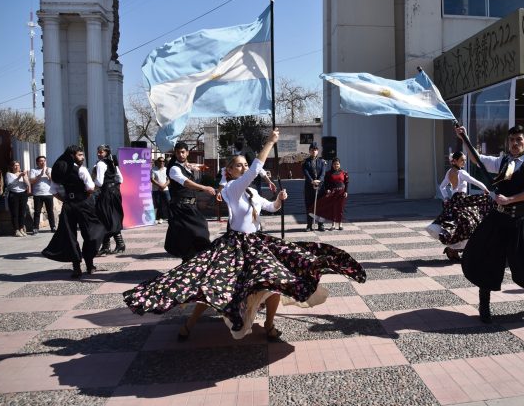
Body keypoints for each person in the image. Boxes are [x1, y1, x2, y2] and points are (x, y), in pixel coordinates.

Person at [123, 129, 366, 342]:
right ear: (228, 171)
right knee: (211, 286)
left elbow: (270, 208)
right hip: (234, 247)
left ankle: (269, 325)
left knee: (274, 281)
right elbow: (255, 170)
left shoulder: (250, 191)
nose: (242, 167)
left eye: (243, 164)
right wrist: (270, 143)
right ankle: (189, 324)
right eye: (238, 165)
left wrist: (279, 201)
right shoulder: (232, 188)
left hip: (257, 244)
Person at [455, 125, 524, 323]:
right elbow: (480, 160)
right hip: (499, 220)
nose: (514, 143)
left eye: (519, 139)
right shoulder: (504, 161)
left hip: (522, 222)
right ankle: (484, 304)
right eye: (511, 139)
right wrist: (464, 138)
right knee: (487, 260)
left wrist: (509, 200)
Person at [42, 145, 105, 278]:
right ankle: (84, 265)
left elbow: (54, 191)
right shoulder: (81, 170)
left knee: (73, 235)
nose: (82, 158)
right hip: (82, 204)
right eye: (80, 155)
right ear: (72, 156)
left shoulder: (59, 170)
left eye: (82, 155)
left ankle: (83, 265)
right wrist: (83, 198)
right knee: (89, 233)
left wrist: (66, 199)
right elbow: (90, 188)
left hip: (69, 205)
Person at [425, 151, 492, 261]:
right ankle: (454, 250)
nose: (464, 162)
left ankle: (453, 250)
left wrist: (446, 197)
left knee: (458, 225)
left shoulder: (449, 172)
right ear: (455, 161)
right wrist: (485, 189)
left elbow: (442, 187)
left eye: (465, 160)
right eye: (462, 160)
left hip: (454, 200)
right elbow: (474, 181)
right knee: (471, 221)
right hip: (462, 200)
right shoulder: (462, 173)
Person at [164, 141, 216, 261]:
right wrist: (204, 188)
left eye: (183, 152)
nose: (180, 155)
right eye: (178, 152)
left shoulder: (184, 166)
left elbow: (190, 165)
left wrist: (195, 166)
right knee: (194, 233)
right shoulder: (174, 169)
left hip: (189, 207)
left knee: (194, 233)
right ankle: (189, 262)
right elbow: (186, 182)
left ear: (187, 153)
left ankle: (191, 262)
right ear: (175, 154)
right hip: (181, 207)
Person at [93, 145, 125, 254]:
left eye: (101, 152)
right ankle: (109, 246)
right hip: (115, 192)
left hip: (106, 193)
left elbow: (99, 182)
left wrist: (91, 186)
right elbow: (120, 179)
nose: (98, 153)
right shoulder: (112, 162)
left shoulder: (101, 164)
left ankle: (115, 245)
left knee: (104, 217)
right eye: (98, 151)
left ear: (106, 152)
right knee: (110, 217)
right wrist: (114, 185)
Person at [311, 157, 350, 230]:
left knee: (340, 208)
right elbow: (326, 183)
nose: (336, 165)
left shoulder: (344, 173)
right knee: (333, 208)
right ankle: (333, 224)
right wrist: (327, 190)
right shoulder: (328, 173)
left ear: (340, 165)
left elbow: (346, 182)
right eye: (335, 164)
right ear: (332, 165)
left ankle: (340, 224)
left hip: (341, 193)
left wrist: (346, 191)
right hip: (333, 193)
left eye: (337, 164)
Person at [302, 142, 327, 231]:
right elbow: (306, 172)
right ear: (309, 151)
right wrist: (312, 181)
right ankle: (309, 225)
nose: (314, 151)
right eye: (312, 150)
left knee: (321, 206)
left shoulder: (322, 161)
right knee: (309, 206)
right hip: (309, 187)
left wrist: (319, 180)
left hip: (320, 188)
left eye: (315, 150)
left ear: (318, 151)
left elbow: (323, 173)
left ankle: (321, 225)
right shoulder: (306, 162)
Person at [29, 155, 56, 234]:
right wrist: (40, 175)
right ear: (37, 162)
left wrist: (48, 175)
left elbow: (54, 181)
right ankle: (36, 228)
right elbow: (31, 181)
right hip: (38, 194)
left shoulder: (50, 169)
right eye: (40, 161)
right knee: (37, 212)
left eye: (44, 161)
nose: (42, 162)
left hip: (48, 193)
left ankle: (53, 227)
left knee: (50, 211)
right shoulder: (33, 170)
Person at [5, 161, 31, 237]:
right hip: (14, 194)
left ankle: (21, 228)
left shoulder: (23, 173)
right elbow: (10, 185)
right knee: (15, 213)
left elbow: (27, 185)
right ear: (12, 167)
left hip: (23, 194)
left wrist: (24, 177)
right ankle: (16, 230)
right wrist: (19, 177)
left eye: (18, 165)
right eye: (15, 165)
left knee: (22, 213)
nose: (17, 167)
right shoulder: (9, 174)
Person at [150, 156, 170, 224]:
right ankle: (160, 218)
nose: (162, 162)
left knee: (168, 202)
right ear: (157, 162)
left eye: (163, 161)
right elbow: (152, 179)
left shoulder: (166, 169)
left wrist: (164, 185)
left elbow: (169, 179)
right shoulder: (153, 169)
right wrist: (160, 185)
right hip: (156, 190)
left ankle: (169, 217)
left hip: (165, 189)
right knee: (158, 204)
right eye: (160, 161)